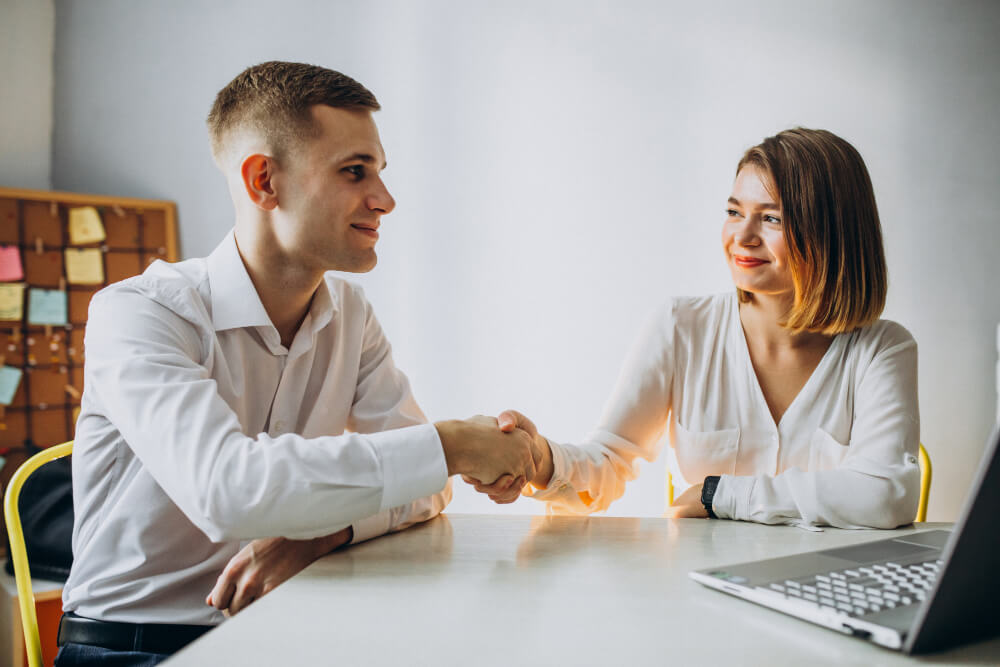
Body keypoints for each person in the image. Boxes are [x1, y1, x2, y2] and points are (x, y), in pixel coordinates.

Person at [55, 61, 538, 666]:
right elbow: (226, 490)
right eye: (354, 172)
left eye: (380, 173)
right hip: (135, 647)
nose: (384, 200)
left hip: (284, 630)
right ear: (263, 182)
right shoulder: (139, 313)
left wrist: (320, 533)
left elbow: (424, 489)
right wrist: (450, 445)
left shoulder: (351, 314)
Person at [468, 128, 921, 529]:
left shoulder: (883, 350)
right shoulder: (681, 327)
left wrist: (717, 494)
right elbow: (607, 460)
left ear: (834, 232)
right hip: (705, 591)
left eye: (772, 218)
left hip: (825, 591)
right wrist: (539, 460)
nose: (741, 237)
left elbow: (886, 496)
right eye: (733, 211)